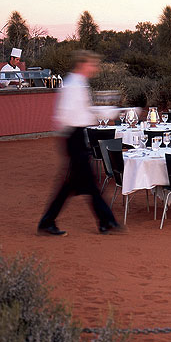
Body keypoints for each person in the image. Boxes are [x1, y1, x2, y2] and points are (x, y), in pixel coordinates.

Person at [38, 50, 121, 236]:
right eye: (92, 64)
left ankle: (105, 221)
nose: (95, 68)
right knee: (87, 183)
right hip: (73, 136)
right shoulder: (73, 85)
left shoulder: (78, 83)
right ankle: (106, 221)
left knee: (76, 184)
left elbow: (82, 111)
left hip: (76, 136)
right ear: (83, 64)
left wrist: (100, 113)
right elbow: (66, 114)